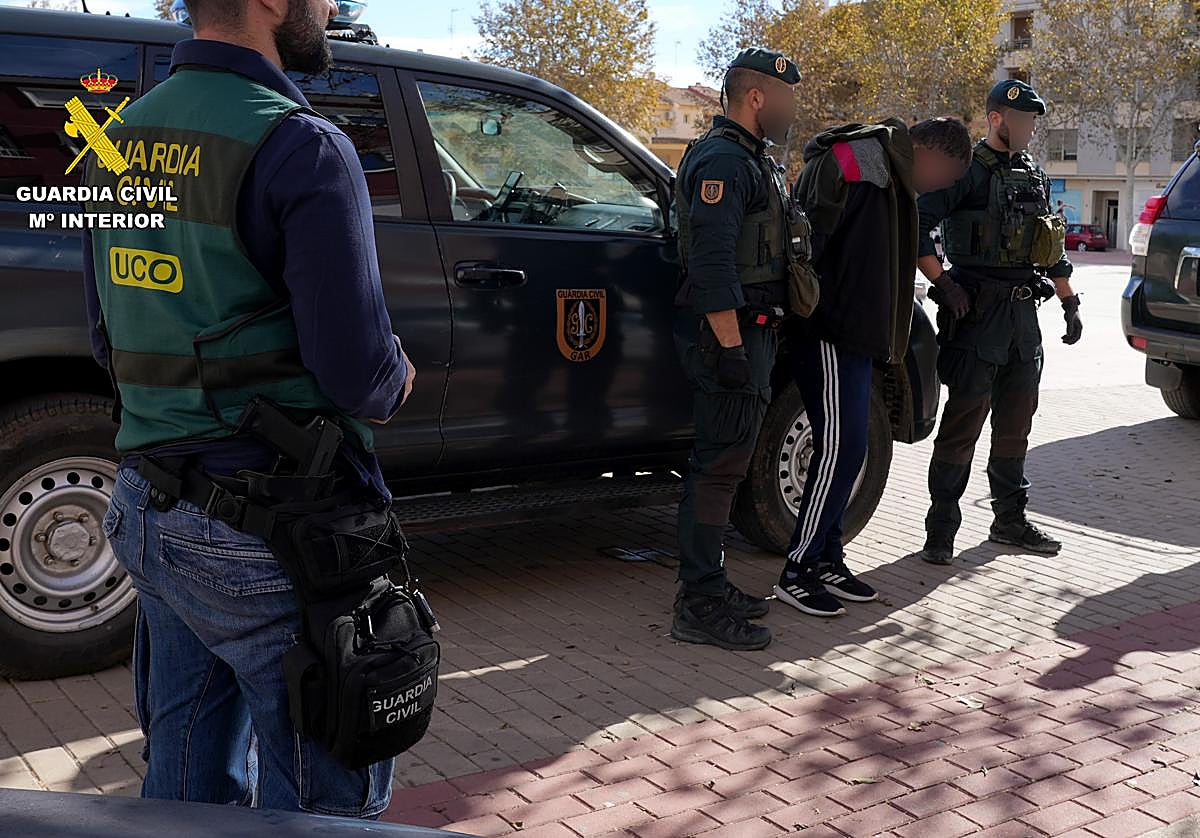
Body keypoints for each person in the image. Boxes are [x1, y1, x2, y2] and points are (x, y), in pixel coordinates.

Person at [80, 0, 413, 815]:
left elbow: (106, 338)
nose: (330, 6)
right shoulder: (304, 146)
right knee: (328, 798)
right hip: (271, 534)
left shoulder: (113, 142)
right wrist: (398, 376)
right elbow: (358, 372)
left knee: (185, 785)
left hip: (149, 508)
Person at [774, 117, 973, 617]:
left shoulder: (892, 173)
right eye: (945, 176)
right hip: (829, 331)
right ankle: (798, 569)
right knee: (840, 449)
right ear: (928, 152)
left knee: (852, 449)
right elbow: (809, 245)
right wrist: (818, 311)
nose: (940, 187)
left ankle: (827, 559)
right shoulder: (861, 162)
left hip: (856, 335)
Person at [915, 79, 1082, 566]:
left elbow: (1051, 246)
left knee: (1015, 424)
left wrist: (1070, 302)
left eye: (1033, 121)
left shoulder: (1032, 173)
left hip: (1022, 317)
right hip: (976, 314)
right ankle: (940, 529)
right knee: (963, 421)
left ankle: (1009, 520)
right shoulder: (967, 172)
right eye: (1022, 120)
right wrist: (943, 283)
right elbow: (917, 225)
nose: (1029, 129)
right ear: (995, 119)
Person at [671, 48, 802, 652]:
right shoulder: (726, 159)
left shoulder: (752, 158)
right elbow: (713, 264)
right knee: (718, 466)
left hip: (752, 330)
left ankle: (711, 584)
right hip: (729, 333)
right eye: (785, 97)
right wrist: (729, 347)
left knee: (728, 464)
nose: (791, 108)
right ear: (756, 97)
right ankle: (697, 603)